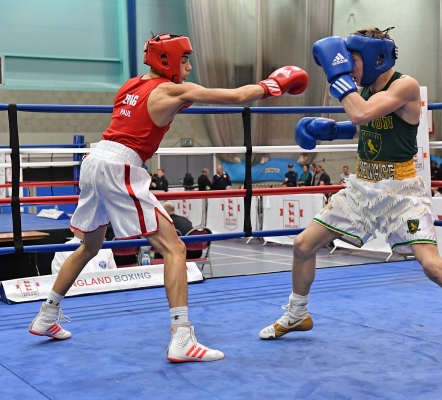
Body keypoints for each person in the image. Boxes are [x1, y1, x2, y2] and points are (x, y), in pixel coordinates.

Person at [28, 33, 309, 363]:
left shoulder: (130, 86)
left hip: (93, 161)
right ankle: (181, 337)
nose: (189, 66)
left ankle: (47, 315)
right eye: (186, 59)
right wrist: (274, 84)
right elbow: (236, 96)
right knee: (174, 247)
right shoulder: (170, 89)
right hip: (120, 165)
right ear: (169, 61)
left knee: (89, 246)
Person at [260, 27, 442, 370]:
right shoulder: (367, 89)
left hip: (401, 193)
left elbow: (361, 114)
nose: (349, 67)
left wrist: (337, 77)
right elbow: (361, 126)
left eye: (351, 60)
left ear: (374, 58)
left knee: (433, 266)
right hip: (363, 187)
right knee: (302, 245)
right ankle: (297, 314)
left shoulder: (405, 85)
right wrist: (331, 131)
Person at [51, 231, 117, 275]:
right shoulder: (63, 250)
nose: (86, 227)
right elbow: (57, 280)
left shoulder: (105, 248)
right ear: (72, 227)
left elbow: (115, 275)